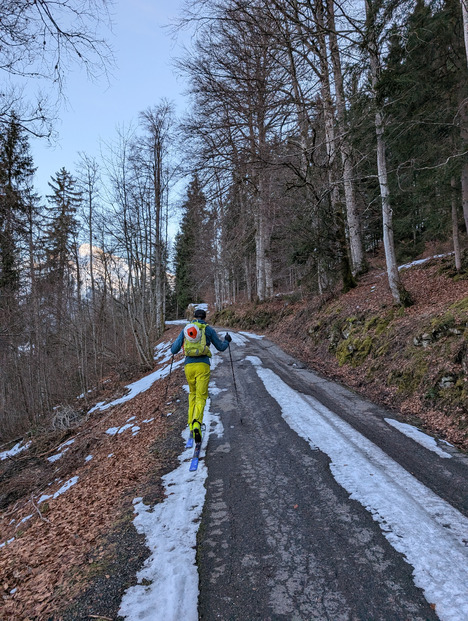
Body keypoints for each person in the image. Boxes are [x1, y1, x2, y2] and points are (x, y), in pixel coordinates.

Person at [171, 308, 232, 443]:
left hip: (188, 366)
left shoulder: (187, 328)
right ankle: (197, 422)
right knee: (201, 396)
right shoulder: (208, 329)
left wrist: (174, 344)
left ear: (194, 317)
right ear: (205, 318)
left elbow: (174, 350)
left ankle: (191, 424)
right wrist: (227, 340)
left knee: (192, 394)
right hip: (203, 366)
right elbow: (221, 347)